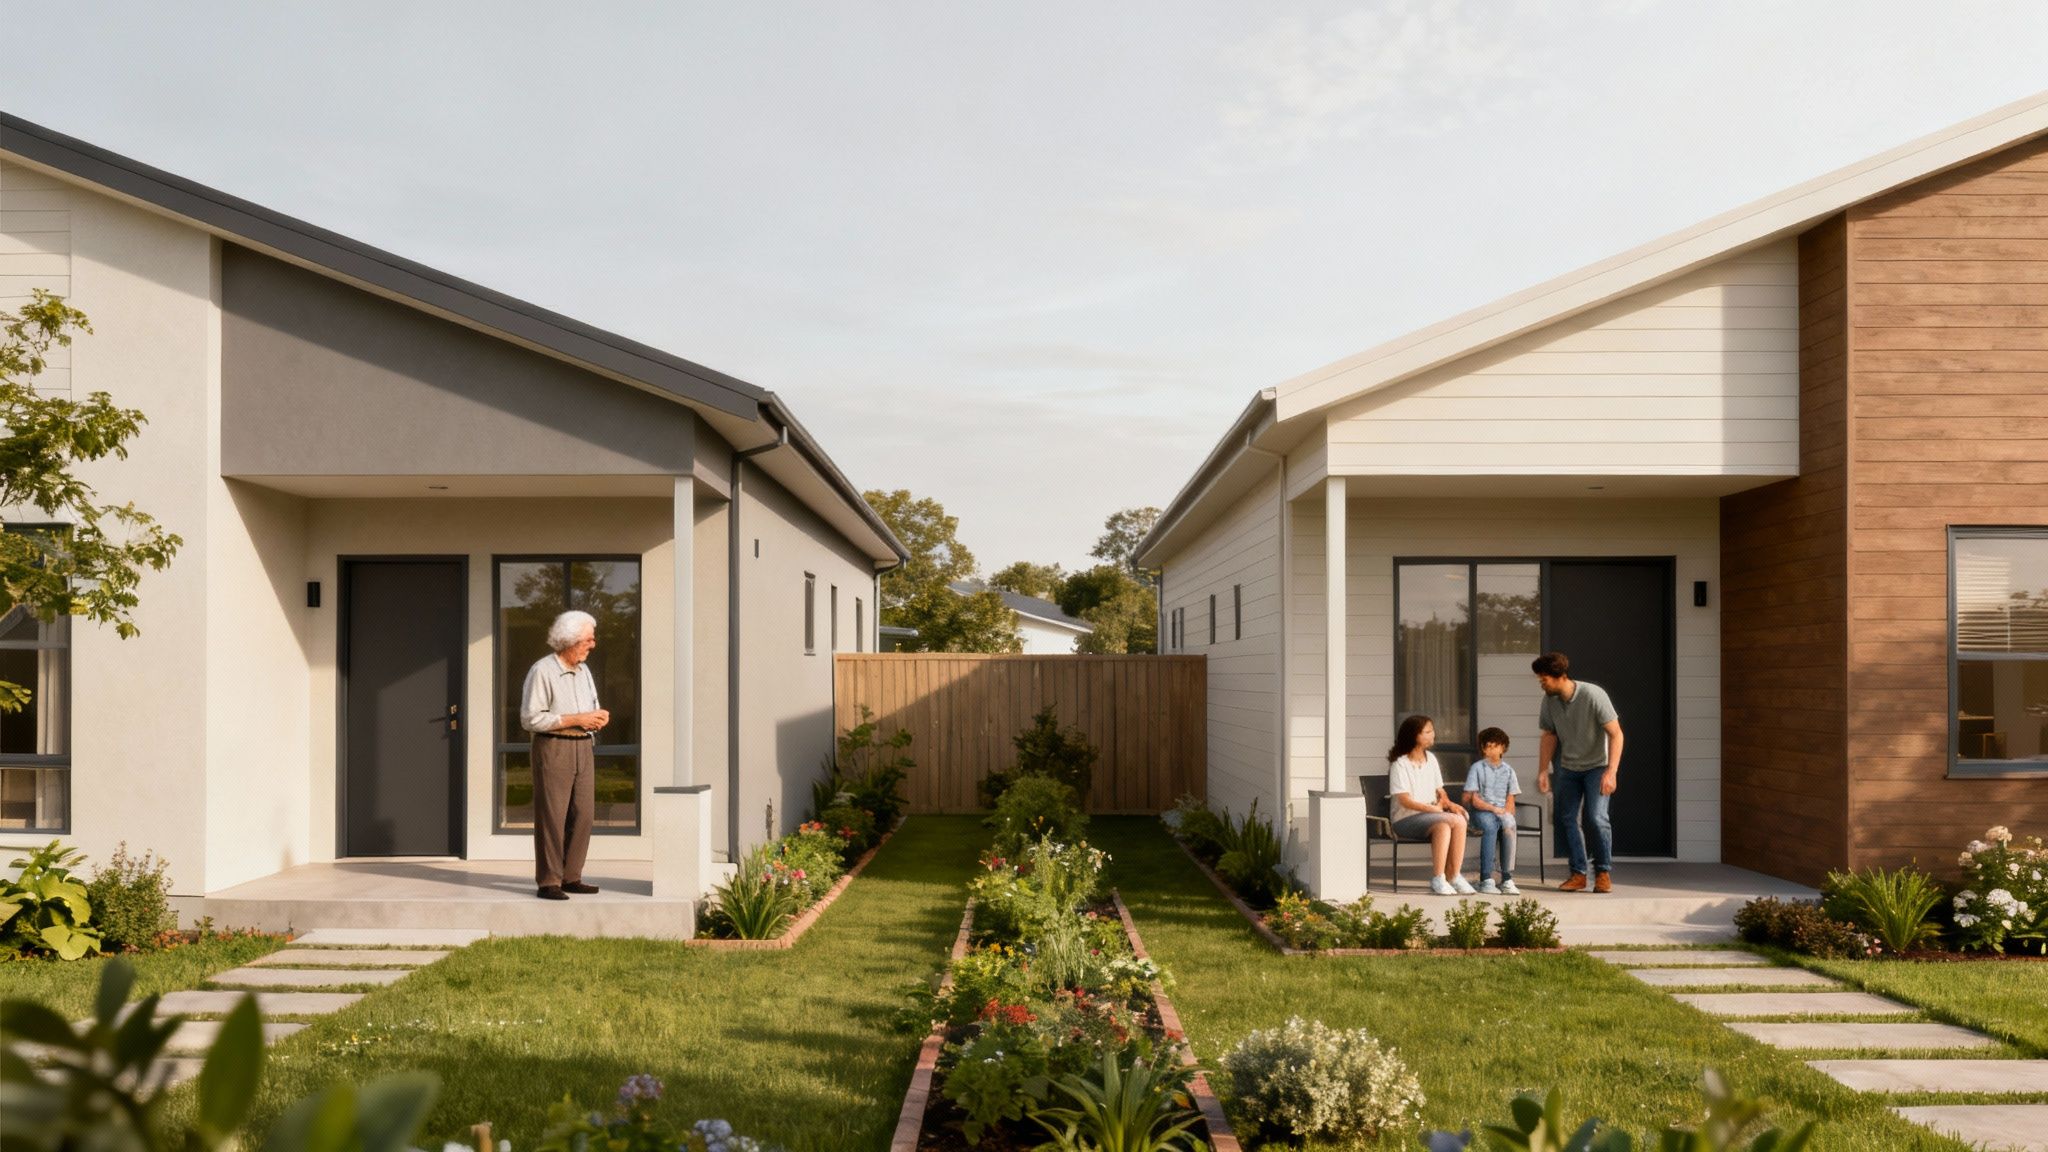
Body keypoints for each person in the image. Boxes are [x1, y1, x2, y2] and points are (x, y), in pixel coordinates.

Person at [521, 610, 611, 900]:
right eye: (588, 639)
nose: (593, 644)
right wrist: (576, 719)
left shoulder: (584, 671)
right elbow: (530, 718)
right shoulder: (542, 670)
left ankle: (572, 876)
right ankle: (549, 881)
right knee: (552, 816)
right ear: (570, 641)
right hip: (554, 746)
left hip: (583, 746)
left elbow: (590, 706)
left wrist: (597, 717)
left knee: (583, 814)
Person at [1532, 651, 1623, 893]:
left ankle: (1603, 873)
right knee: (1568, 819)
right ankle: (1578, 874)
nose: (1541, 684)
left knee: (1596, 817)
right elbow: (1549, 735)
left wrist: (1611, 771)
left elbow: (1616, 734)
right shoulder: (1549, 701)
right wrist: (1543, 770)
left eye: (1544, 679)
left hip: (1597, 767)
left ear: (1559, 676)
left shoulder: (1593, 695)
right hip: (1569, 768)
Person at [1385, 714, 1475, 896]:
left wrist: (1450, 804)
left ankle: (1448, 877)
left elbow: (1439, 790)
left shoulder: (1431, 759)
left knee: (1449, 823)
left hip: (1431, 817)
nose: (1433, 734)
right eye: (1427, 731)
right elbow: (1404, 800)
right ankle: (1445, 877)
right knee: (1453, 821)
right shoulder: (1400, 765)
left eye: (1432, 730)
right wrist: (1433, 809)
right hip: (1405, 819)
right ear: (1414, 736)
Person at [1461, 727, 1521, 895]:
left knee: (1509, 824)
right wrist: (1494, 809)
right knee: (1490, 825)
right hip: (1481, 812)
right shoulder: (1477, 768)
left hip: (1501, 812)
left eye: (1495, 746)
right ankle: (1486, 878)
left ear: (1503, 747)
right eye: (1487, 746)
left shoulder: (1509, 771)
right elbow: (1474, 800)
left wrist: (1506, 814)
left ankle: (1507, 878)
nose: (1491, 749)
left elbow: (1511, 800)